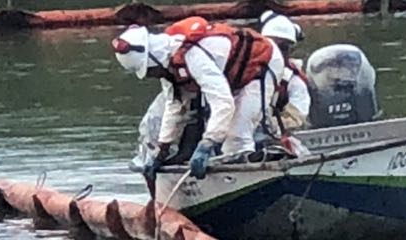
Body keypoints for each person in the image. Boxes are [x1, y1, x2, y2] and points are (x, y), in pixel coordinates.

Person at [112, 17, 283, 181]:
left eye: (149, 71)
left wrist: (207, 143)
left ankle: (247, 181)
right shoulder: (168, 69)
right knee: (226, 134)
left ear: (154, 58)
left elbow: (222, 103)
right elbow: (175, 107)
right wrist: (162, 150)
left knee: (237, 133)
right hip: (233, 74)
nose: (150, 76)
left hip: (263, 64)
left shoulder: (194, 56)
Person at [258, 11, 311, 133]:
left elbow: (297, 119)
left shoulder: (294, 81)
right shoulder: (247, 74)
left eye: (282, 48)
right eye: (270, 46)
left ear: (290, 51)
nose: (276, 53)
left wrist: (266, 126)